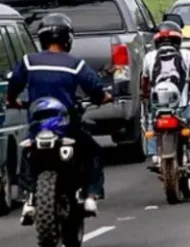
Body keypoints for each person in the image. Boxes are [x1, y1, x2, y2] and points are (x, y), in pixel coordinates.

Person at [4, 14, 111, 224]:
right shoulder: (75, 64)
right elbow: (95, 90)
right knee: (94, 152)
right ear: (67, 39)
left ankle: (29, 199)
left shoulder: (28, 61)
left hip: (38, 125)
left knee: (27, 152)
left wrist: (12, 101)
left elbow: (14, 86)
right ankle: (90, 196)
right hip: (67, 126)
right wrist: (105, 97)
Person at [141, 21, 190, 172]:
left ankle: (154, 156)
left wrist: (145, 94)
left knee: (151, 121)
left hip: (158, 110)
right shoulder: (186, 55)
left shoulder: (149, 57)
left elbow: (145, 82)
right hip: (182, 109)